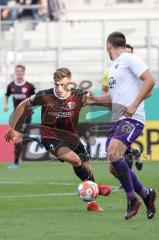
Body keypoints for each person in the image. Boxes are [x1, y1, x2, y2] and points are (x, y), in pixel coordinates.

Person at [5, 67, 112, 212]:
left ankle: (91, 203)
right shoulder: (44, 96)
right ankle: (97, 188)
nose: (60, 88)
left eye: (63, 85)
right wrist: (12, 127)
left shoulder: (78, 95)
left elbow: (96, 101)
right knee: (75, 160)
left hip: (71, 136)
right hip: (51, 137)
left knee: (86, 165)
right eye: (57, 84)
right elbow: (22, 105)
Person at [92, 31, 156, 220]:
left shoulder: (129, 58)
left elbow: (150, 80)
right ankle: (146, 195)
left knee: (113, 153)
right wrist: (94, 100)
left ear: (108, 45)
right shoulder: (114, 68)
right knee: (113, 166)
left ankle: (131, 199)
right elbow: (113, 98)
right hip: (116, 119)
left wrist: (135, 104)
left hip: (132, 117)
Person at [102, 43, 143, 175]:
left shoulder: (136, 71)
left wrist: (134, 103)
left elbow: (148, 89)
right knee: (113, 161)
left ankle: (134, 190)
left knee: (117, 150)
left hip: (132, 115)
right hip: (116, 114)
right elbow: (105, 90)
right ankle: (132, 152)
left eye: (130, 53)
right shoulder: (110, 71)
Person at [4, 64, 35, 168]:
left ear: (24, 73)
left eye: (21, 71)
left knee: (18, 137)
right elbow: (6, 95)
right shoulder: (11, 86)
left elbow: (36, 98)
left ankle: (16, 162)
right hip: (16, 115)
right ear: (15, 72)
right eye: (17, 71)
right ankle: (18, 160)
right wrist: (6, 104)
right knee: (18, 137)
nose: (19, 73)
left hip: (27, 115)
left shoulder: (29, 86)